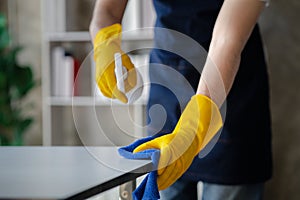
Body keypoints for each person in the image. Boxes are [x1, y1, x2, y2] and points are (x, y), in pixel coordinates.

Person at [90, 0, 272, 199]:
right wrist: (105, 43)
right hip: (168, 86)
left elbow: (227, 40)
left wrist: (195, 126)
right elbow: (106, 10)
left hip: (233, 91)